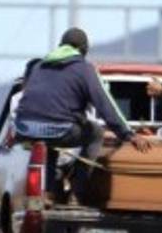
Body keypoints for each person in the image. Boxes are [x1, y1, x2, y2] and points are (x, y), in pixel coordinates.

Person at [14, 28, 151, 185]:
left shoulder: (39, 66)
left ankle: (49, 190)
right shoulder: (84, 69)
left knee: (50, 140)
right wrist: (128, 134)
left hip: (24, 128)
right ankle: (78, 188)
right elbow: (105, 104)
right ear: (84, 50)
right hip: (58, 129)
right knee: (96, 133)